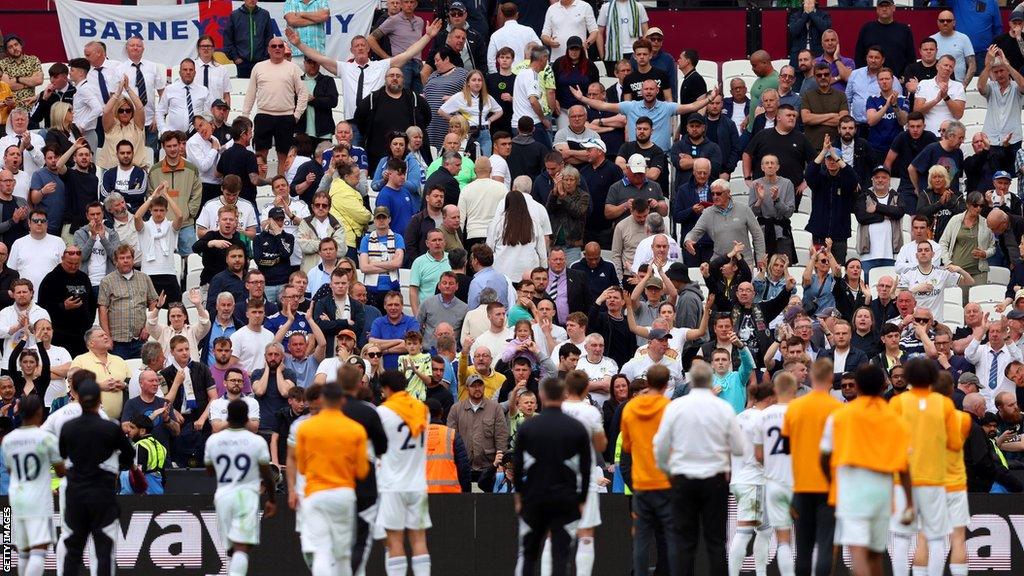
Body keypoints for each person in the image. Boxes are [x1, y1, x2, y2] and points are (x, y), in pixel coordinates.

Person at [819, 364, 913, 576]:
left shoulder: (840, 416)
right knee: (876, 551)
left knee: (858, 550)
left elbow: (824, 456)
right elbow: (905, 465)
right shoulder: (895, 419)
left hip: (850, 483)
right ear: (883, 386)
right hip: (882, 486)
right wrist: (909, 502)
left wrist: (830, 482)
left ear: (858, 386)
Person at [654, 360, 743, 576]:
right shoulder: (723, 408)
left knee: (684, 541)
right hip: (715, 479)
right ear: (710, 380)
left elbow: (660, 445)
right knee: (716, 542)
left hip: (683, 479)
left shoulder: (676, 407)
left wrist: (667, 470)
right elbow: (739, 448)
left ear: (690, 380)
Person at [888, 358, 963, 576]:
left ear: (908, 377)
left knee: (902, 538)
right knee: (937, 537)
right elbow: (955, 444)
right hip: (935, 479)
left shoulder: (897, 403)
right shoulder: (945, 405)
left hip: (903, 481)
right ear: (932, 376)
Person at [513, 376, 591, 576]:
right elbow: (585, 467)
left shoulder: (528, 427)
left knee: (529, 553)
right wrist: (582, 499)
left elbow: (518, 465)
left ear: (542, 395)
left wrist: (519, 496)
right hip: (565, 498)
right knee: (561, 554)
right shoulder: (576, 427)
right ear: (563, 395)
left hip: (535, 497)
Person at [58, 379, 136, 576]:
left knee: (73, 548)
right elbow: (128, 455)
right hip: (101, 491)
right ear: (99, 400)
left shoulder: (68, 427)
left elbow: (62, 453)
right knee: (103, 548)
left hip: (75, 491)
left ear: (78, 399)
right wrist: (118, 465)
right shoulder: (110, 428)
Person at [782, 358, 842, 576]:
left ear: (811, 376)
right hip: (829, 486)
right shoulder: (837, 409)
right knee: (825, 545)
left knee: (803, 547)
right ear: (830, 378)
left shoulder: (794, 408)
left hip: (801, 484)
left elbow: (786, 447)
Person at [204, 399, 276, 576]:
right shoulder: (256, 441)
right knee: (241, 548)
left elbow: (210, 472)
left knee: (231, 549)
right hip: (246, 495)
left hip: (223, 496)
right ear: (246, 419)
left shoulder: (214, 441)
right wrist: (272, 499)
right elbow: (267, 474)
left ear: (227, 417)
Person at [685, 179, 766, 267]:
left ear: (728, 193)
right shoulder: (707, 213)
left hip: (744, 262)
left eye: (719, 193)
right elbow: (695, 232)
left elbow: (757, 235)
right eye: (713, 194)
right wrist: (688, 240)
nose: (715, 196)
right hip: (720, 263)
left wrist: (760, 258)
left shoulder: (744, 209)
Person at [802, 62, 849, 151]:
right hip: (812, 147)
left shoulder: (841, 95)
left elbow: (843, 121)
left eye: (826, 74)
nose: (823, 77)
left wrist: (815, 120)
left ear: (830, 75)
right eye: (819, 75)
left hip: (836, 147)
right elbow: (806, 119)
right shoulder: (807, 95)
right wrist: (832, 115)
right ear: (815, 77)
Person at [222, 0, 274, 79]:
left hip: (260, 62)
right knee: (243, 89)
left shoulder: (264, 14)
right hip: (241, 63)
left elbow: (269, 38)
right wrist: (235, 58)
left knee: (261, 89)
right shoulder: (235, 15)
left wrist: (266, 57)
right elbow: (228, 39)